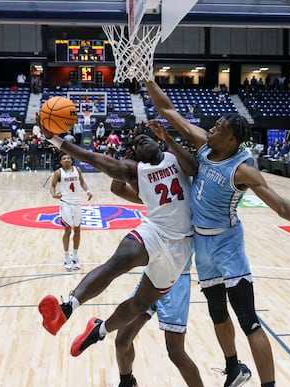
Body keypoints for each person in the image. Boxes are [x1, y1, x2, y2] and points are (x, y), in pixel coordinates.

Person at [145, 79, 290, 387]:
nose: (211, 128)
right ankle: (234, 367)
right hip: (203, 247)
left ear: (232, 139)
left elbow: (282, 207)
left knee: (248, 320)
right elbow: (167, 110)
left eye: (219, 127)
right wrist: (148, 80)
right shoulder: (206, 145)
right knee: (217, 314)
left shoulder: (244, 169)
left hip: (227, 245)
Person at [36, 116, 198, 363]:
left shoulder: (175, 158)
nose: (143, 140)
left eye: (146, 137)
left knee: (140, 304)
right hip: (154, 232)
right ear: (135, 155)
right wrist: (53, 138)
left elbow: (195, 167)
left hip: (180, 248)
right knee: (119, 262)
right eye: (138, 142)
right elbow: (92, 157)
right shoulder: (134, 170)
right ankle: (66, 308)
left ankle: (98, 331)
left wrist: (168, 138)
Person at [109, 178, 208, 387]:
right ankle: (127, 382)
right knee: (122, 340)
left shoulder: (198, 207)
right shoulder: (162, 201)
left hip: (177, 280)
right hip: (153, 275)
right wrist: (126, 162)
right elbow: (117, 188)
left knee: (175, 352)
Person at [50, 153, 93, 271]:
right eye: (64, 158)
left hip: (77, 203)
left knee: (78, 229)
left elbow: (82, 182)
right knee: (68, 229)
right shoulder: (58, 173)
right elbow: (52, 186)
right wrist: (53, 194)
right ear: (61, 161)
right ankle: (66, 257)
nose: (67, 160)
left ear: (71, 160)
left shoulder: (77, 170)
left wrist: (88, 191)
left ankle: (75, 255)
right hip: (65, 203)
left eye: (68, 158)